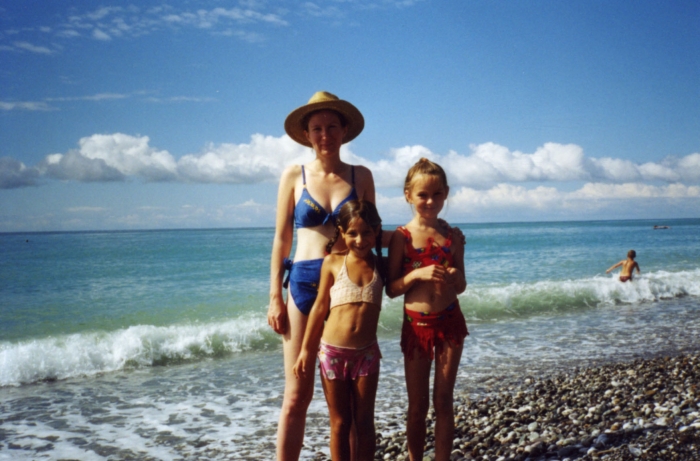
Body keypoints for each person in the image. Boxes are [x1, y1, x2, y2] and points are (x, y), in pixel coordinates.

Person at [268, 91, 376, 461]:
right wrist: (274, 297)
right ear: (307, 134)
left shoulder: (361, 176)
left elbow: (371, 235)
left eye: (332, 126)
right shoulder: (293, 176)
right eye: (317, 128)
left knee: (347, 402)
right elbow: (281, 238)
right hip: (302, 282)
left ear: (344, 131)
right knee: (297, 395)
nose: (325, 134)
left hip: (347, 286)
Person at [386, 158, 468, 461]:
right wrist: (416, 275)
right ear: (408, 195)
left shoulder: (453, 236)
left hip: (450, 323)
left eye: (437, 194)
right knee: (417, 405)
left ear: (446, 194)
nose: (430, 201)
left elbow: (462, 285)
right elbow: (392, 288)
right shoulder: (401, 237)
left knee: (444, 400)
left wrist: (455, 277)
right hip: (417, 327)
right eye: (423, 195)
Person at [293, 200, 384, 461]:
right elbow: (319, 308)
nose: (360, 240)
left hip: (367, 354)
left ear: (376, 231)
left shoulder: (382, 265)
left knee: (365, 422)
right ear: (342, 232)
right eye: (352, 233)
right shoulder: (333, 262)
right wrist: (305, 351)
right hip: (332, 354)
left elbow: (407, 250)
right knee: (340, 422)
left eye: (366, 232)